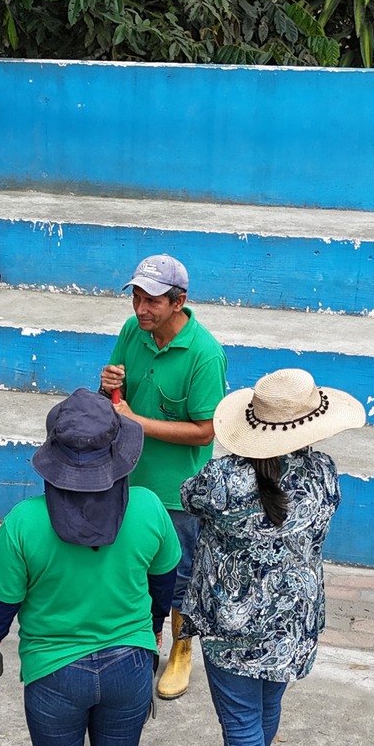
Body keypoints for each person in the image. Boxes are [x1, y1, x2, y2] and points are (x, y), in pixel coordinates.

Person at [0, 389, 181, 746]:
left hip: (53, 675)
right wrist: (152, 634)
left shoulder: (23, 522)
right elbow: (164, 585)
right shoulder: (150, 509)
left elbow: (0, 606)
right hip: (130, 665)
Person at [180, 368, 363, 746]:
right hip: (293, 618)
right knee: (265, 705)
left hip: (234, 621)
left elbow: (187, 497)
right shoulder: (322, 472)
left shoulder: (223, 480)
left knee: (240, 717)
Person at [97, 254, 227, 702]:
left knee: (179, 575)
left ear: (178, 301)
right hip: (127, 475)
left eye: (151, 301)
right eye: (136, 298)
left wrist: (138, 422)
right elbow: (116, 401)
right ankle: (133, 635)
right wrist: (109, 384)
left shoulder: (205, 354)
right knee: (126, 560)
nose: (140, 309)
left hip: (178, 492)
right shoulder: (133, 331)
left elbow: (206, 430)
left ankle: (181, 650)